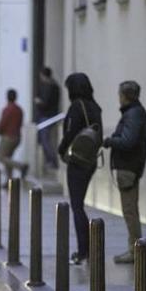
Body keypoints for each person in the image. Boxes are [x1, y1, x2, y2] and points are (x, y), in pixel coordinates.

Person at [58, 73, 103, 265]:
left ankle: (84, 250)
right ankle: (88, 249)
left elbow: (70, 132)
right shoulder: (95, 107)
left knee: (77, 206)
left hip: (77, 161)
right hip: (90, 160)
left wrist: (61, 149)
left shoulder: (77, 107)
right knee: (79, 204)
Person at [102, 81, 146, 264]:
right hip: (129, 167)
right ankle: (135, 248)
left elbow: (128, 141)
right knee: (130, 210)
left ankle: (135, 250)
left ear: (126, 96)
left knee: (130, 211)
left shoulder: (133, 114)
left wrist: (110, 141)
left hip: (128, 167)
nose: (118, 98)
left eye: (120, 94)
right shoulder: (135, 113)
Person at [0, 88, 28, 185]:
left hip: (8, 137)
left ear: (7, 97)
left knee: (1, 157)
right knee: (8, 158)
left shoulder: (7, 109)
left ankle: (21, 166)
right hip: (17, 137)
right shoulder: (19, 109)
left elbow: (3, 123)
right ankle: (9, 182)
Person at [34, 67, 60, 169]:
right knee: (46, 139)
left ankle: (52, 160)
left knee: (45, 140)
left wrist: (38, 101)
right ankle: (50, 161)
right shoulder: (55, 86)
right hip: (51, 115)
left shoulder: (48, 87)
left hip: (46, 116)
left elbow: (45, 103)